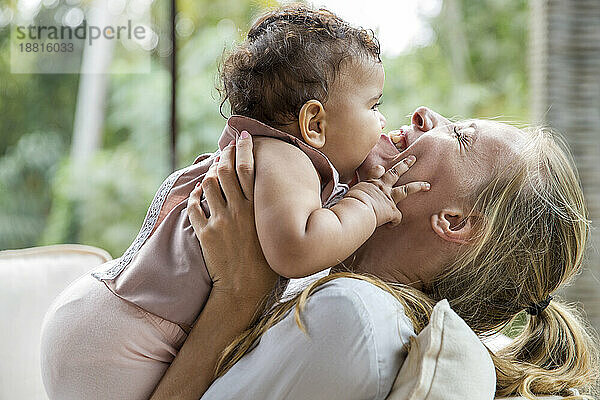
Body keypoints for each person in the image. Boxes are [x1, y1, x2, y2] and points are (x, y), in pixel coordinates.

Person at [40, 5, 430, 400]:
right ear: (314, 123)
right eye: (374, 105)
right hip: (123, 339)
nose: (382, 122)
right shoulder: (286, 159)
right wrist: (366, 204)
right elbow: (298, 247)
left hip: (106, 317)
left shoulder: (264, 155)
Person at [153, 107, 599, 399]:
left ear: (456, 222)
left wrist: (238, 292)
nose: (426, 115)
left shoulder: (352, 318)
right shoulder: (313, 260)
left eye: (460, 136)